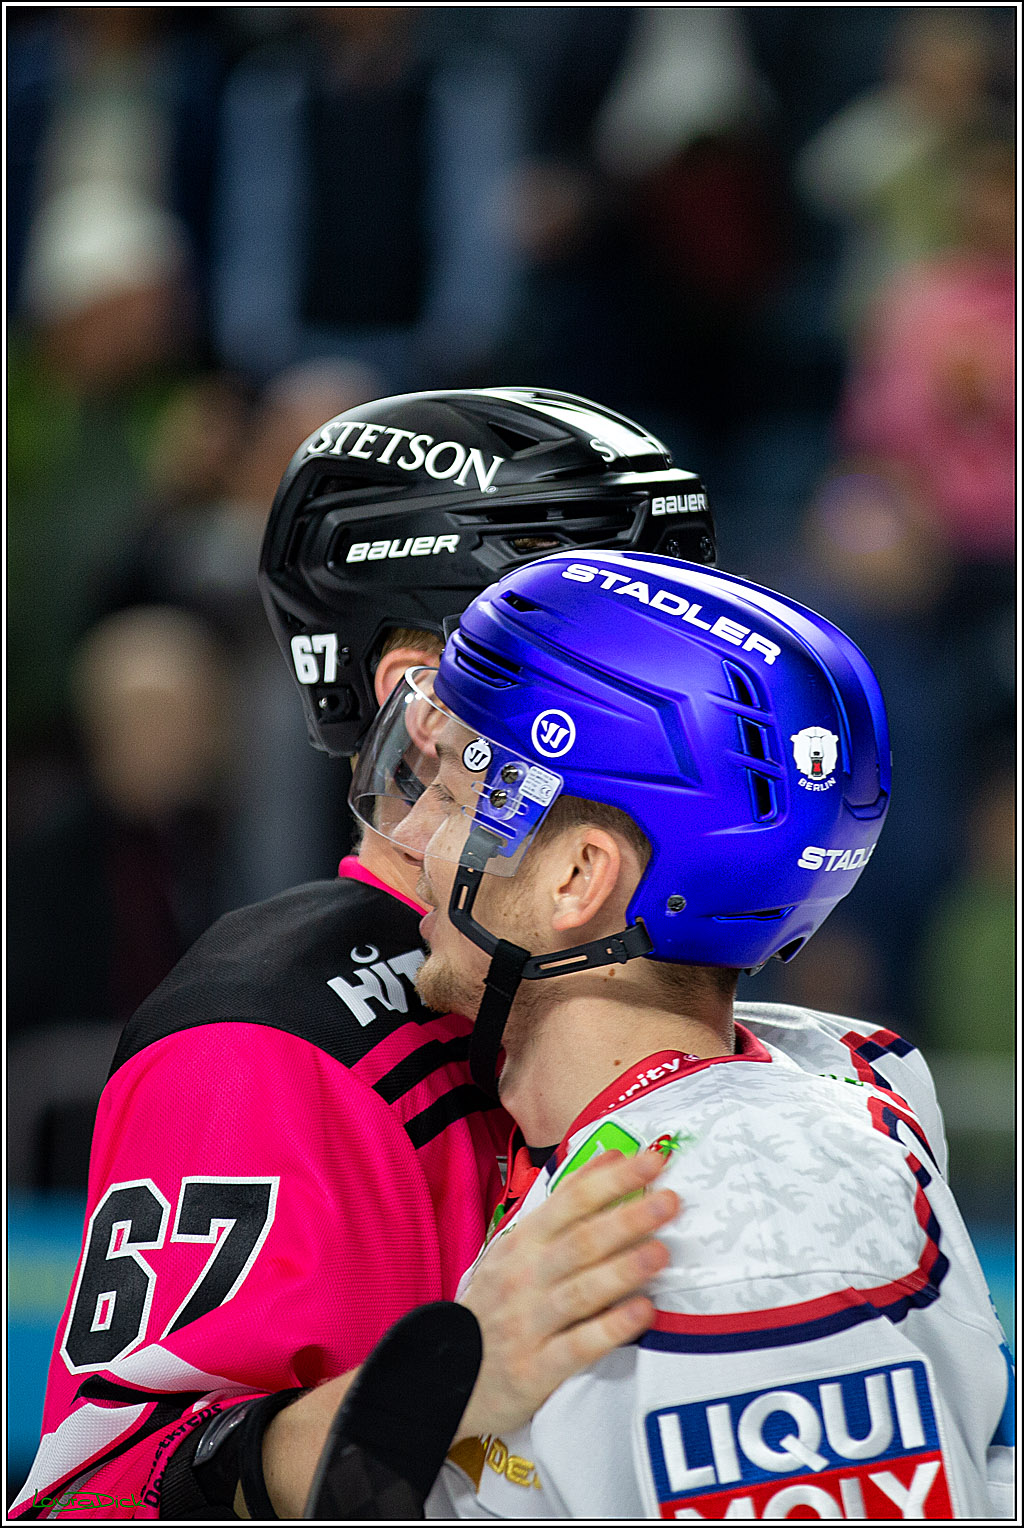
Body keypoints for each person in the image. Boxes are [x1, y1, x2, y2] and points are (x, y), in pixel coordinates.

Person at [13, 389, 715, 1520]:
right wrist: (423, 1391)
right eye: (615, 643)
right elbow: (97, 1499)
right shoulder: (263, 1044)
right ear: (421, 704)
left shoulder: (645, 956)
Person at [346, 548, 1013, 1519]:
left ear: (579, 878)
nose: (410, 838)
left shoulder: (752, 1226)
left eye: (451, 794)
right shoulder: (717, 1139)